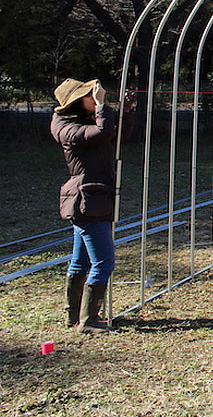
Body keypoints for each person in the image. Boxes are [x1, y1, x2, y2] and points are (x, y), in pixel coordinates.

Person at [51, 78, 120, 333]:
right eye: (89, 96)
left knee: (80, 262)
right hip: (87, 201)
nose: (94, 98)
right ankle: (89, 320)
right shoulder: (67, 128)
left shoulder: (81, 122)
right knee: (103, 261)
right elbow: (102, 132)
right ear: (75, 103)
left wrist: (121, 109)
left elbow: (113, 132)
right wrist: (101, 106)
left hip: (92, 199)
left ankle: (75, 316)